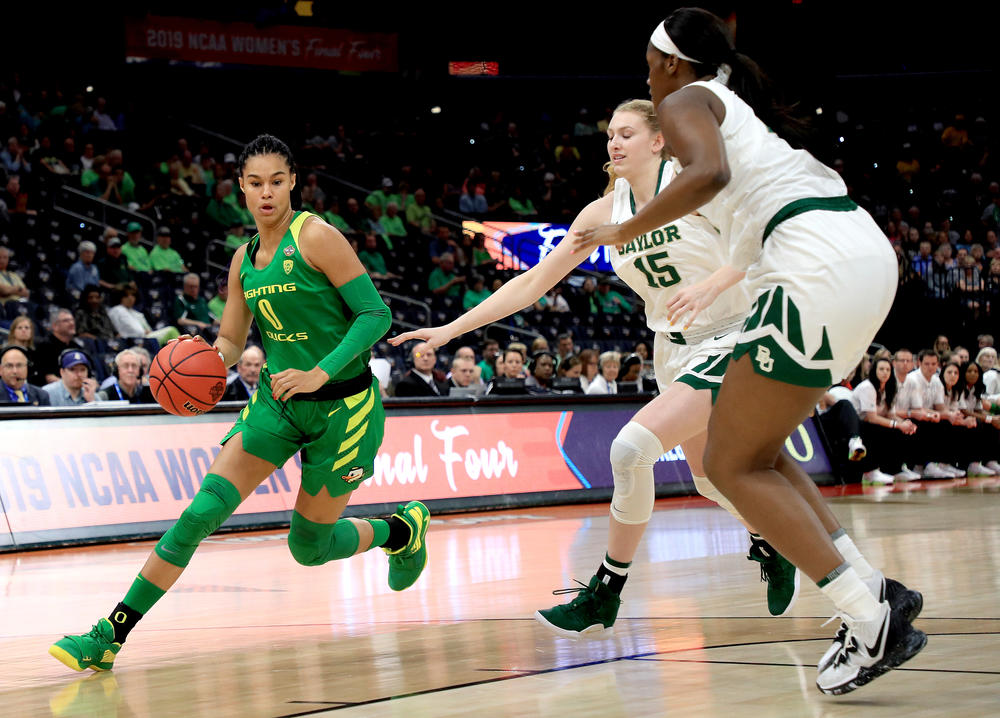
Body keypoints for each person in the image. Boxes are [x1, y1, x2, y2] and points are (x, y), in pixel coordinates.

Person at [571, 10, 924, 694]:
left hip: (811, 264)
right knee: (750, 455)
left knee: (728, 466)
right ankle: (875, 592)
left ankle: (869, 619)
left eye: (649, 59)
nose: (646, 73)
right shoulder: (734, 111)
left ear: (672, 63)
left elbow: (702, 174)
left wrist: (626, 224)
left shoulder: (682, 101)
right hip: (858, 251)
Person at [392, 98, 822, 638]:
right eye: (610, 136)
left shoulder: (695, 186)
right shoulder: (602, 214)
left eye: (626, 134)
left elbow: (763, 239)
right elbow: (530, 284)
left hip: (733, 335)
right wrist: (450, 330)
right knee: (711, 481)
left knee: (630, 449)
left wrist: (713, 284)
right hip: (674, 348)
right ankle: (770, 543)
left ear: (659, 140)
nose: (614, 144)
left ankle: (606, 591)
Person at [49, 134, 429, 673]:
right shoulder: (243, 261)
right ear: (242, 190)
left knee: (309, 547)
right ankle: (108, 635)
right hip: (276, 404)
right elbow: (230, 343)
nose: (266, 193)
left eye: (277, 181)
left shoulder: (317, 236)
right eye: (255, 183)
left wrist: (321, 371)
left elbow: (375, 316)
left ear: (293, 181)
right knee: (200, 513)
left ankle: (401, 530)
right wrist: (196, 361)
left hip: (344, 409)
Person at [853, 358, 919, 484]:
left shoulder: (889, 387)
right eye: (881, 369)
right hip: (859, 425)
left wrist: (906, 424)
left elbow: (891, 414)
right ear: (874, 371)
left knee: (905, 429)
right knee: (880, 429)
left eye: (888, 369)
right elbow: (871, 418)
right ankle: (871, 472)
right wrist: (898, 425)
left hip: (875, 422)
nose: (885, 372)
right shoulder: (868, 387)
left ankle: (896, 469)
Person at [108, 286, 180, 346]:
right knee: (171, 330)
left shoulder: (134, 312)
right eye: (127, 296)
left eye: (133, 295)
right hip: (133, 339)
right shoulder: (116, 310)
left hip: (145, 337)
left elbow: (148, 330)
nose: (132, 298)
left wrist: (146, 331)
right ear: (121, 297)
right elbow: (118, 328)